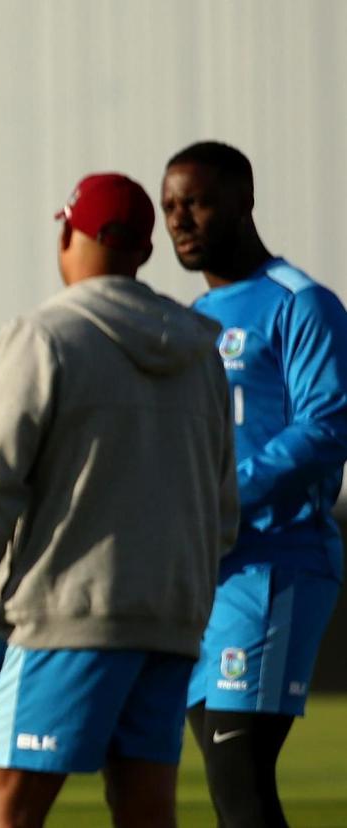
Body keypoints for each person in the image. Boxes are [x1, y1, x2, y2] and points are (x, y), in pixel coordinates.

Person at [0, 173, 238, 828]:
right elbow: (222, 506)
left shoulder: (44, 337)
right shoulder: (199, 350)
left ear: (74, 235)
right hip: (170, 620)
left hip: (65, 616)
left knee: (3, 807)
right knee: (145, 808)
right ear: (145, 251)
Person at [162, 141, 347, 828]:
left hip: (276, 562)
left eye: (198, 202)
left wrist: (222, 494)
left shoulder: (300, 303)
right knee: (222, 776)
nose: (181, 220)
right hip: (203, 572)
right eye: (170, 207)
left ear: (244, 202)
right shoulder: (184, 323)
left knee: (240, 776)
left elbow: (328, 425)